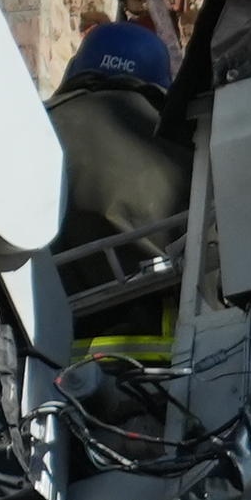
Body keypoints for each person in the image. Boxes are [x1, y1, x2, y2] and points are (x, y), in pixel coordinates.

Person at [47, 21, 187, 349]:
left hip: (35, 353)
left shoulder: (38, 127)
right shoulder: (187, 143)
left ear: (74, 70)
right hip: (162, 355)